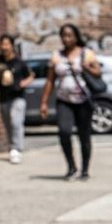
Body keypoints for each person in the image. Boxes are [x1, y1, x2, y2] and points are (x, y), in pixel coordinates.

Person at [39, 23, 101, 181]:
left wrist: (86, 67)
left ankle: (85, 169)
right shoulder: (56, 56)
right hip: (64, 100)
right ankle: (71, 167)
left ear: (76, 37)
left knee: (84, 136)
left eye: (70, 35)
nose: (66, 39)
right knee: (64, 132)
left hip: (83, 101)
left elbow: (97, 73)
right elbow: (50, 81)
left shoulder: (86, 54)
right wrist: (44, 102)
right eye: (64, 36)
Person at [0, 34, 32, 164]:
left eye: (7, 44)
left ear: (12, 46)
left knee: (15, 121)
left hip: (18, 96)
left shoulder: (20, 62)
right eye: (2, 44)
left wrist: (25, 83)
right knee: (7, 123)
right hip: (4, 97)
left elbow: (30, 75)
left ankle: (16, 149)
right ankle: (12, 146)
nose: (4, 47)